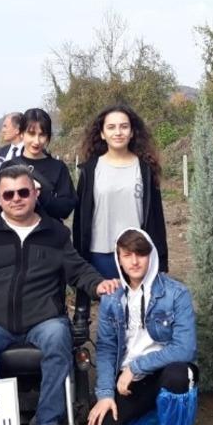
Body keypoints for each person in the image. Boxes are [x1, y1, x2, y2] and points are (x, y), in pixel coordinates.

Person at [0, 165, 118, 425]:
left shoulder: (55, 233)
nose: (16, 199)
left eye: (23, 192)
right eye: (9, 194)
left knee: (57, 338)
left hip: (43, 318)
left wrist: (99, 284)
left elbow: (77, 269)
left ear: (35, 194)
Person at [87, 229, 197, 425]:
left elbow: (186, 348)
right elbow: (106, 349)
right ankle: (155, 414)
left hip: (165, 370)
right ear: (118, 259)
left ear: (152, 256)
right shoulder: (112, 298)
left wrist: (136, 367)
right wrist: (105, 395)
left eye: (141, 254)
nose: (134, 262)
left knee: (178, 375)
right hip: (132, 381)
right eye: (127, 255)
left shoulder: (176, 293)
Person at [71, 103, 167, 338]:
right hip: (101, 253)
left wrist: (161, 262)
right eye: (111, 127)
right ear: (102, 133)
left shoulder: (144, 168)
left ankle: (136, 370)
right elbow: (81, 218)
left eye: (124, 126)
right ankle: (111, 371)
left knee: (138, 320)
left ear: (132, 131)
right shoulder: (91, 169)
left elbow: (156, 217)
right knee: (111, 320)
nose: (118, 132)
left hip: (137, 255)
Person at [2, 108, 77, 220]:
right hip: (15, 235)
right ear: (22, 134)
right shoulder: (8, 166)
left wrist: (41, 194)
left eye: (42, 135)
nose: (36, 141)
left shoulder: (58, 168)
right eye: (31, 134)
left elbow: (65, 209)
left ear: (48, 137)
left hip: (50, 234)